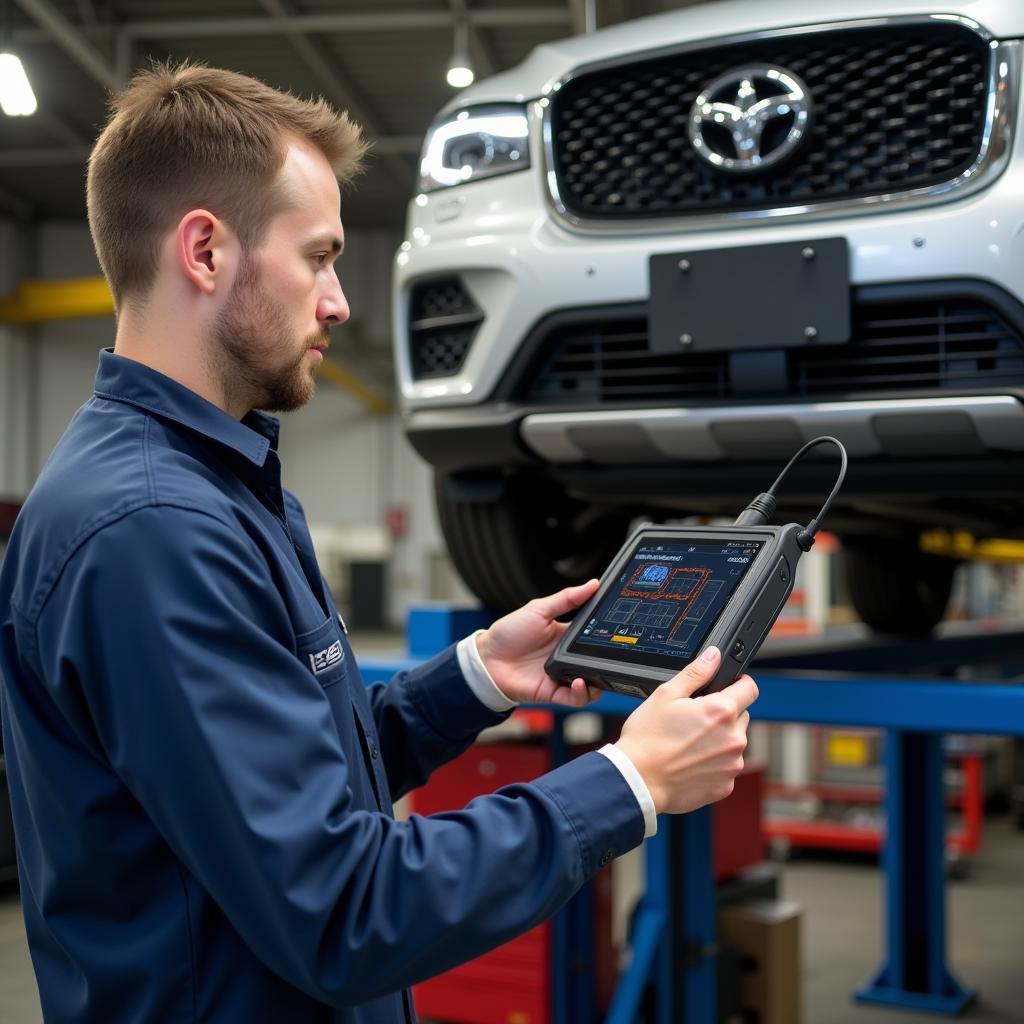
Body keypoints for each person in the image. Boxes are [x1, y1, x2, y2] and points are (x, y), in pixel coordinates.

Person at [0, 63, 757, 1023]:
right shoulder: (154, 531)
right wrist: (630, 781)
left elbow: (290, 784)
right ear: (204, 251)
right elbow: (343, 912)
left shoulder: (214, 488)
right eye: (317, 257)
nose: (339, 302)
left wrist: (475, 675)